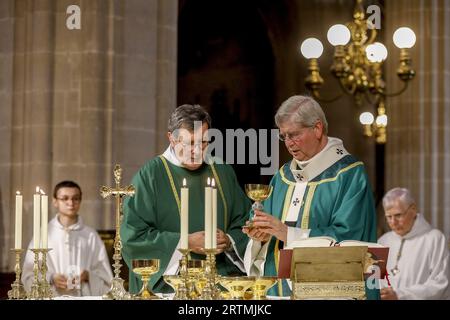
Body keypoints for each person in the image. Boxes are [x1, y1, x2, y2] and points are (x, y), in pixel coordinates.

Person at [242, 95, 377, 297]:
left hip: (328, 292)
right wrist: (261, 237)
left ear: (317, 129)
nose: (288, 143)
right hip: (278, 290)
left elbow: (351, 239)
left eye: (294, 134)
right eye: (283, 136)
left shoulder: (348, 174)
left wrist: (289, 234)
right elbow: (271, 232)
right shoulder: (282, 177)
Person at [121, 104, 251, 294]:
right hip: (171, 287)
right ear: (171, 139)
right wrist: (185, 242)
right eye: (189, 143)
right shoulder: (151, 175)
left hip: (221, 285)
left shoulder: (221, 170)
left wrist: (229, 240)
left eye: (203, 142)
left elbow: (245, 223)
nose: (197, 151)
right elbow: (133, 237)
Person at [22, 181, 113, 297]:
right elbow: (29, 274)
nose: (70, 203)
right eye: (65, 198)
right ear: (55, 201)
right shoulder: (43, 235)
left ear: (80, 201)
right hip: (52, 296)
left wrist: (88, 275)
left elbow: (106, 277)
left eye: (75, 198)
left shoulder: (90, 236)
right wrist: (51, 278)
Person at [378, 187, 450, 300]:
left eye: (398, 215)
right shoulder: (383, 241)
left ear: (413, 209)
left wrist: (399, 295)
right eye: (389, 217)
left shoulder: (435, 239)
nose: (393, 222)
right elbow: (374, 281)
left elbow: (441, 284)